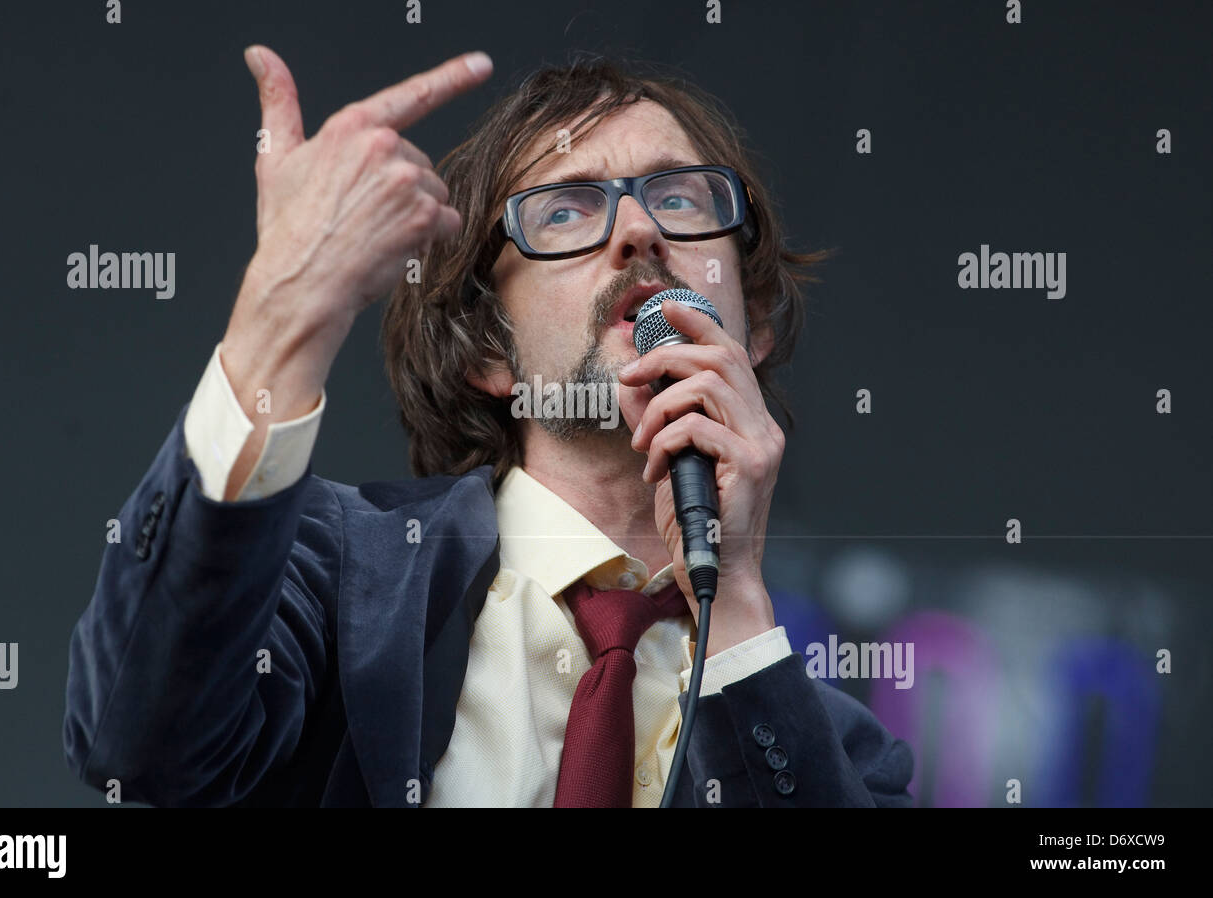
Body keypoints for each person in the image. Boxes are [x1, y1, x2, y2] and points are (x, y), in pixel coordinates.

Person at [63, 46, 914, 807]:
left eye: (682, 199)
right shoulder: (338, 581)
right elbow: (137, 741)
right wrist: (280, 314)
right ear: (488, 351)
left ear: (753, 325)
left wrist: (731, 601)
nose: (640, 229)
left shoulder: (845, 751)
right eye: (567, 211)